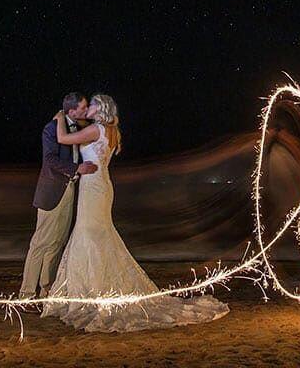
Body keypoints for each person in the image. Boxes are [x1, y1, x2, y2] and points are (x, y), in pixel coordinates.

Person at [42, 93, 228, 332]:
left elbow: (62, 138)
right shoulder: (109, 131)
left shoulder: (96, 130)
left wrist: (59, 118)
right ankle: (94, 286)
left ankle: (92, 289)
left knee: (89, 234)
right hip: (102, 185)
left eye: (92, 104)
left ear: (100, 110)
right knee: (99, 235)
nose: (88, 106)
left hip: (92, 187)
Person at [18, 92, 98, 300]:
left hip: (69, 190)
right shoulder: (51, 129)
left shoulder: (78, 127)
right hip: (52, 191)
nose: (86, 109)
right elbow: (50, 160)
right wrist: (77, 168)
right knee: (40, 243)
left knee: (57, 243)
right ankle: (26, 294)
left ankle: (46, 290)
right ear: (71, 110)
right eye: (83, 107)